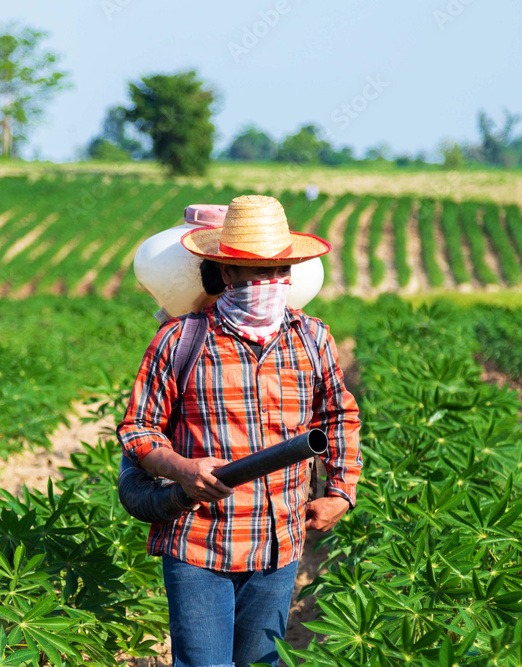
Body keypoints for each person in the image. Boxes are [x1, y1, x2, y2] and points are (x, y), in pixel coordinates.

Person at [117, 194, 362, 667]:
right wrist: (184, 469)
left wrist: (340, 492)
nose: (269, 283)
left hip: (279, 541)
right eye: (255, 271)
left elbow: (339, 417)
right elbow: (139, 430)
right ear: (227, 273)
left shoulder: (311, 337)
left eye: (277, 271)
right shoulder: (181, 339)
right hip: (198, 539)